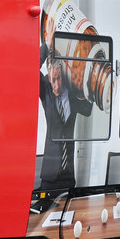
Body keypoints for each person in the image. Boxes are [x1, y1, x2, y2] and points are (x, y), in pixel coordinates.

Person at [39, 41, 92, 190]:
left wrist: (82, 74)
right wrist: (48, 44)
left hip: (68, 176)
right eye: (52, 80)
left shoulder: (74, 95)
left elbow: (88, 108)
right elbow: (29, 67)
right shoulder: (46, 92)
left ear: (63, 74)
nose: (55, 85)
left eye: (58, 78)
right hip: (49, 176)